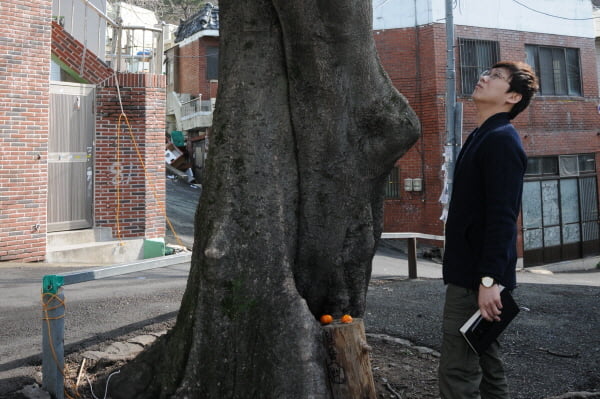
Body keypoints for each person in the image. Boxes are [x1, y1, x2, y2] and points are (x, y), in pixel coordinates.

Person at [438, 61, 539, 399]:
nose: (483, 78)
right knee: (485, 361)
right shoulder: (482, 135)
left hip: (475, 279)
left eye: (495, 77)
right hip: (474, 275)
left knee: (457, 370)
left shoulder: (501, 140)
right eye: (486, 73)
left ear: (512, 96)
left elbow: (502, 216)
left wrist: (488, 281)